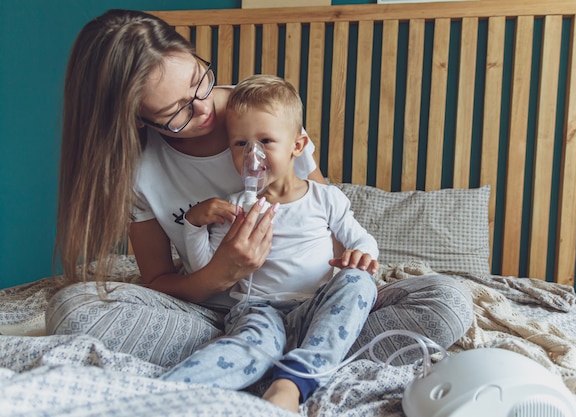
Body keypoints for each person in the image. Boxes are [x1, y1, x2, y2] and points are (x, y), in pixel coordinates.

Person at [46, 7, 473, 410]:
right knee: (76, 308)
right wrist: (221, 273)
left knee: (447, 300)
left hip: (314, 299)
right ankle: (287, 351)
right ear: (136, 119)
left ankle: (266, 360)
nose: (204, 107)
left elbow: (325, 217)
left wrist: (350, 278)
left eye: (199, 80)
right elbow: (158, 279)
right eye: (176, 110)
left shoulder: (264, 111)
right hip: (218, 309)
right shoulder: (136, 167)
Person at [168, 74, 379, 411]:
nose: (253, 154)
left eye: (266, 140)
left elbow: (361, 238)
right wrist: (193, 226)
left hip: (316, 306)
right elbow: (203, 268)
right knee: (252, 342)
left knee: (360, 281)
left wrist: (361, 256)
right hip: (258, 309)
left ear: (297, 145)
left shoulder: (326, 199)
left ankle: (293, 380)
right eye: (240, 144)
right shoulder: (236, 207)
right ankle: (167, 394)